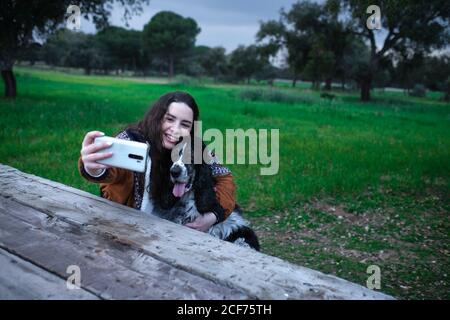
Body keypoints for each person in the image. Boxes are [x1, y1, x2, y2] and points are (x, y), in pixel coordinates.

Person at [78, 91, 236, 232]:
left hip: (165, 228)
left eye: (185, 124)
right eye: (170, 119)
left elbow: (224, 177)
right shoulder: (132, 140)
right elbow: (110, 169)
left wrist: (214, 215)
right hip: (123, 225)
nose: (175, 129)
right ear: (158, 117)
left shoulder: (192, 146)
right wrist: (94, 169)